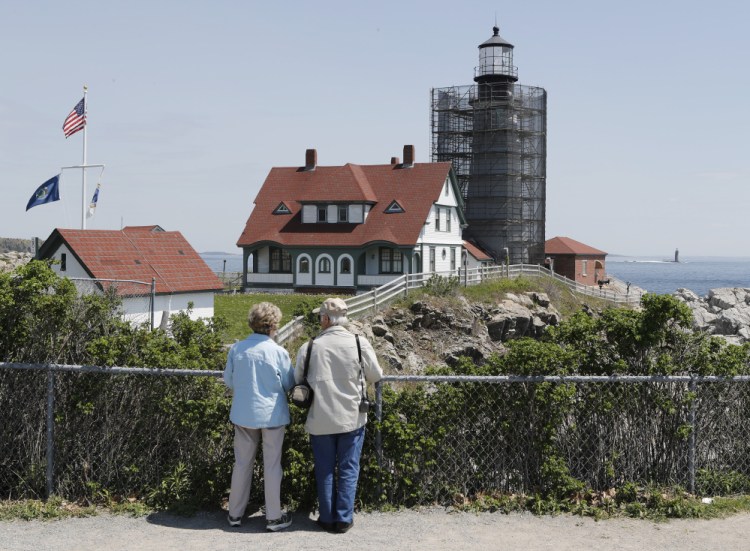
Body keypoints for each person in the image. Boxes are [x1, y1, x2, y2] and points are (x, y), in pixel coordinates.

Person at [295, 297, 383, 534]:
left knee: (324, 468)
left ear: (325, 319)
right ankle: (344, 518)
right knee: (348, 467)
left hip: (320, 417)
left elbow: (297, 380)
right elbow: (376, 374)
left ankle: (326, 517)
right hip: (351, 416)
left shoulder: (310, 346)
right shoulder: (358, 342)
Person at [223, 302, 294, 531]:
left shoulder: (237, 349)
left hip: (243, 413)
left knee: (242, 463)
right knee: (272, 465)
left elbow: (229, 381)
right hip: (272, 415)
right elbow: (288, 383)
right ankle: (273, 517)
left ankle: (235, 513)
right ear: (273, 325)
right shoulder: (278, 352)